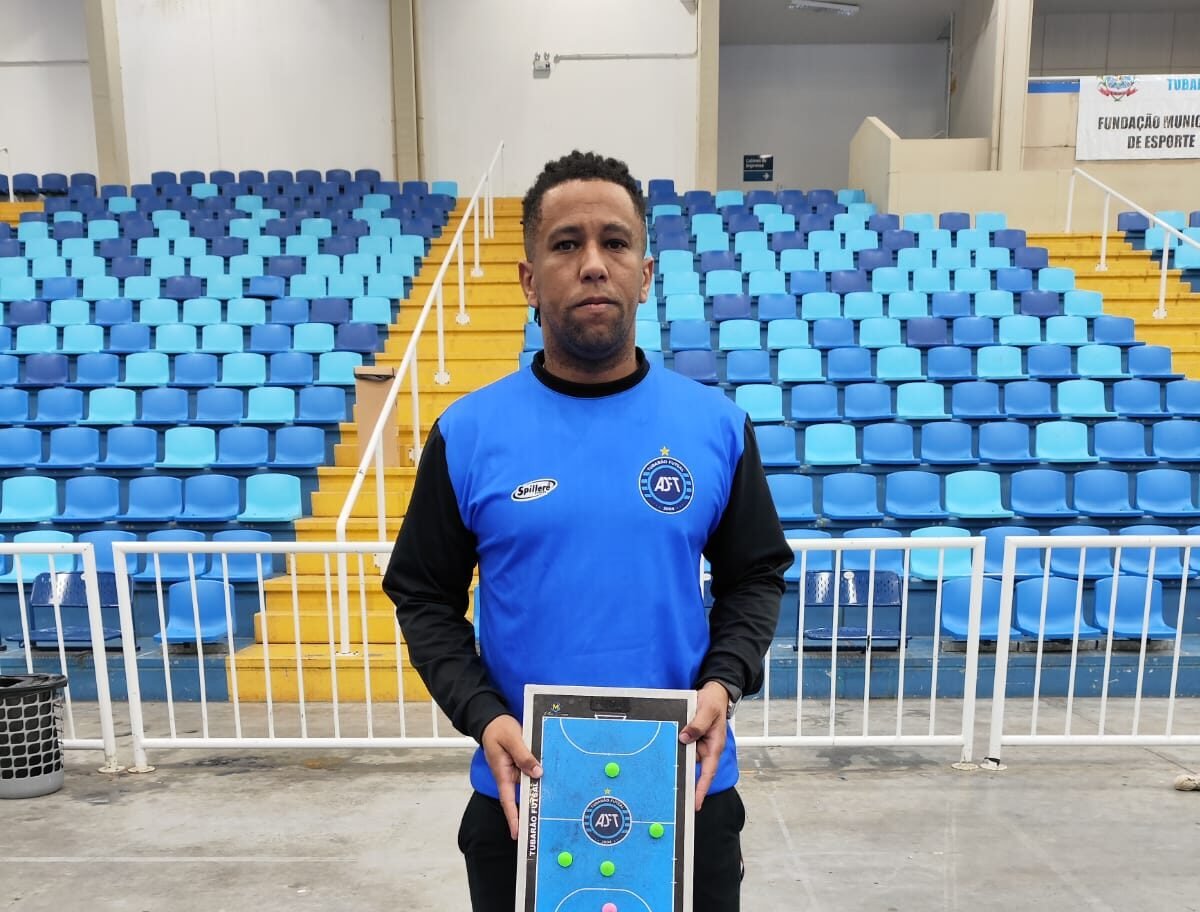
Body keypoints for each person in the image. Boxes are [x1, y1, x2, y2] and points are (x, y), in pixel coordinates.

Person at [383, 150, 791, 912]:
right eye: (566, 244)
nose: (594, 264)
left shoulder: (716, 427)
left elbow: (755, 576)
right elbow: (423, 595)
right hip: (523, 795)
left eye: (616, 242)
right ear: (529, 279)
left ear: (646, 272)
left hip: (687, 790)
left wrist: (723, 682)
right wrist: (484, 715)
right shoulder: (468, 432)